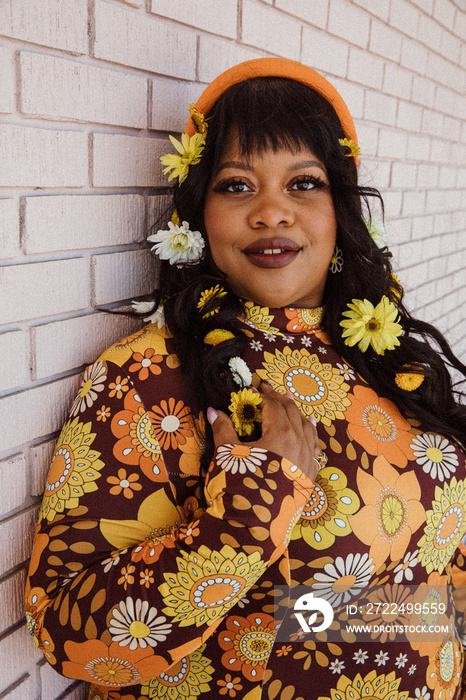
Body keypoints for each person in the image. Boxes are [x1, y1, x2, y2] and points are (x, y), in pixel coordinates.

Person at [26, 58, 466, 700]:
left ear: (341, 210)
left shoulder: (375, 348)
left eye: (304, 183)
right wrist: (244, 518)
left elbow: (399, 592)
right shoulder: (151, 377)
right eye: (236, 186)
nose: (271, 212)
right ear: (197, 214)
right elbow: (65, 634)